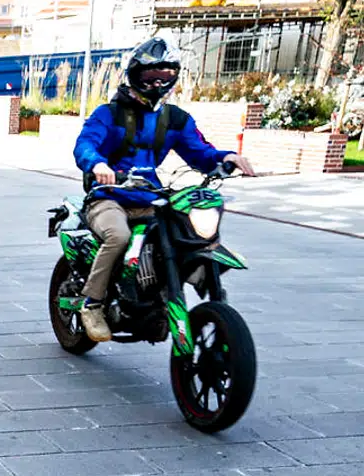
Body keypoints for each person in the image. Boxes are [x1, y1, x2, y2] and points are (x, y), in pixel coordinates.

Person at [72, 37, 254, 342]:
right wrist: (98, 164)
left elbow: (199, 152)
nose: (157, 83)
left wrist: (226, 158)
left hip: (150, 197)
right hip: (108, 197)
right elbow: (85, 144)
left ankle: (176, 287)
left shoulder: (175, 119)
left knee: (188, 230)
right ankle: (92, 304)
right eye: (150, 76)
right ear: (135, 75)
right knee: (118, 236)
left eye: (165, 76)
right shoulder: (108, 114)